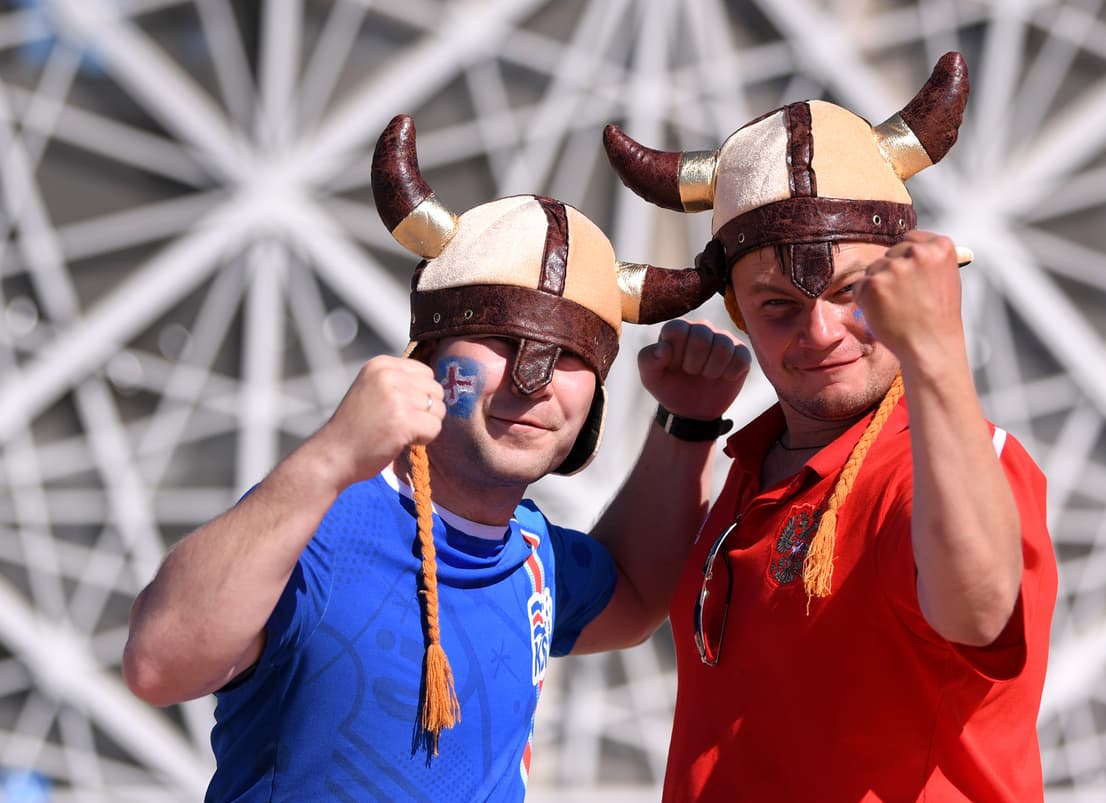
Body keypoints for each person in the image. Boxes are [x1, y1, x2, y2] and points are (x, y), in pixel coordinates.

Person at [122, 114, 749, 801]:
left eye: (570, 355)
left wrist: (687, 422)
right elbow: (159, 663)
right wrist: (331, 456)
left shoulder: (533, 550)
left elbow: (631, 598)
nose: (531, 380)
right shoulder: (322, 521)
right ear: (428, 358)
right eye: (498, 340)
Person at [603, 52, 1058, 801]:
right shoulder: (757, 464)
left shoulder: (939, 462)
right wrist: (686, 426)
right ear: (739, 315)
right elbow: (619, 604)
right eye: (779, 305)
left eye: (856, 291)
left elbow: (978, 612)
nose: (821, 332)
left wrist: (938, 354)